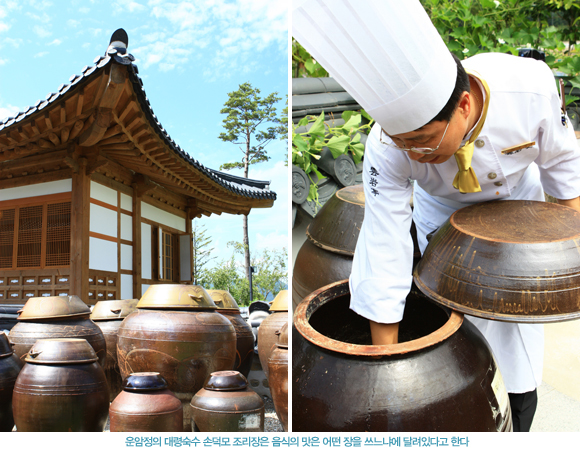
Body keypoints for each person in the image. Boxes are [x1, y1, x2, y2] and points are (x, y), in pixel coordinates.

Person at [293, 0, 580, 432]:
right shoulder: (388, 149)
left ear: (464, 105)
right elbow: (385, 246)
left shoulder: (530, 90)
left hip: (521, 212)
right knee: (454, 326)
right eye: (402, 142)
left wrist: (564, 263)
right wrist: (384, 369)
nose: (413, 153)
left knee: (517, 331)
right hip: (442, 220)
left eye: (424, 142)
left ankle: (521, 414)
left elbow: (566, 177)